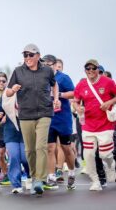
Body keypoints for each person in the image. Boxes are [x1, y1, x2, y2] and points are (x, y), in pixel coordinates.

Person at [6, 44, 60, 195]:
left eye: (30, 55)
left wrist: (55, 98)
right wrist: (13, 90)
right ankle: (34, 175)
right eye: (25, 55)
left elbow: (55, 86)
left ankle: (39, 180)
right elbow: (8, 92)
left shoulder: (47, 71)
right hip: (25, 115)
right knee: (29, 149)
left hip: (44, 113)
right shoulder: (18, 72)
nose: (27, 58)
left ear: (38, 56)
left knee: (40, 146)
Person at [73, 59, 116, 191]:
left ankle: (111, 167)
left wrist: (109, 103)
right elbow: (75, 101)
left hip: (105, 125)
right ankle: (95, 181)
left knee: (105, 154)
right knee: (89, 154)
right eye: (87, 68)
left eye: (93, 68)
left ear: (98, 69)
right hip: (88, 125)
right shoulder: (81, 85)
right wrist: (78, 108)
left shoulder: (108, 82)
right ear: (85, 70)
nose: (90, 71)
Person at [42, 55, 76, 190]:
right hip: (48, 118)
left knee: (66, 148)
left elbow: (73, 93)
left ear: (55, 65)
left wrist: (58, 95)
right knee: (50, 148)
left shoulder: (63, 77)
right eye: (44, 65)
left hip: (63, 119)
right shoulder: (41, 78)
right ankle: (51, 177)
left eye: (49, 65)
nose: (47, 67)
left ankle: (72, 172)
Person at [0, 88, 30, 194]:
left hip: (26, 130)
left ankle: (29, 176)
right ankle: (16, 185)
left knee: (25, 158)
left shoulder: (28, 93)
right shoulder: (6, 95)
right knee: (14, 157)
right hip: (11, 131)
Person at [0, 72, 10, 185]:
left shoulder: (9, 93)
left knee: (12, 153)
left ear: (6, 82)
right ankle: (5, 174)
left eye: (3, 81)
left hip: (9, 127)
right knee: (0, 153)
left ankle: (20, 172)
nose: (1, 83)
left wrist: (5, 117)